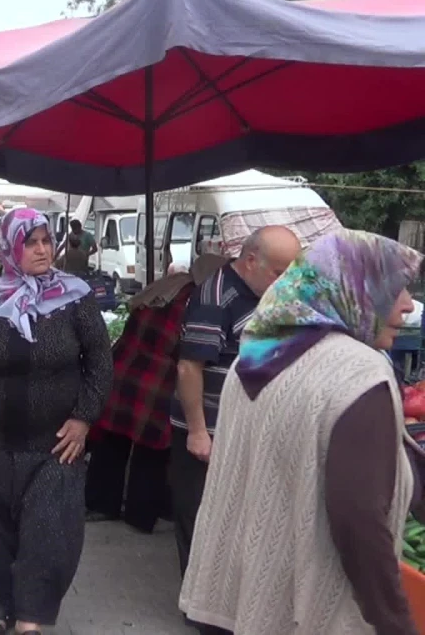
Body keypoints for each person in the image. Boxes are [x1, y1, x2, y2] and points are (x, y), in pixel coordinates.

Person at [180, 230, 425, 635]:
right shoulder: (360, 372)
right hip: (307, 615)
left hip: (237, 602)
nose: (408, 306)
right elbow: (359, 519)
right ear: (355, 291)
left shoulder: (256, 355)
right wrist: (395, 623)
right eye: (395, 290)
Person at [0, 208, 112, 635]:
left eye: (46, 241)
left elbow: (101, 362)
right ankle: (1, 605)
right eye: (30, 242)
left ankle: (30, 615)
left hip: (54, 444)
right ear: (10, 246)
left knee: (48, 531)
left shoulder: (75, 296)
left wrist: (84, 418)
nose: (41, 250)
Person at [170, 226, 300, 578]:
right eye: (278, 273)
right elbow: (189, 366)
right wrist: (197, 431)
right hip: (209, 430)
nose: (284, 282)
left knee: (236, 519)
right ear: (251, 261)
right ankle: (200, 606)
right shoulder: (216, 297)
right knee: (200, 517)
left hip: (245, 427)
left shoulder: (261, 293)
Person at [84, 254, 230, 534]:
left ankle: (102, 504)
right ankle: (141, 514)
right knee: (152, 451)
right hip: (157, 382)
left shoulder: (168, 287)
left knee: (113, 441)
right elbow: (190, 350)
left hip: (126, 367)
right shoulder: (199, 302)